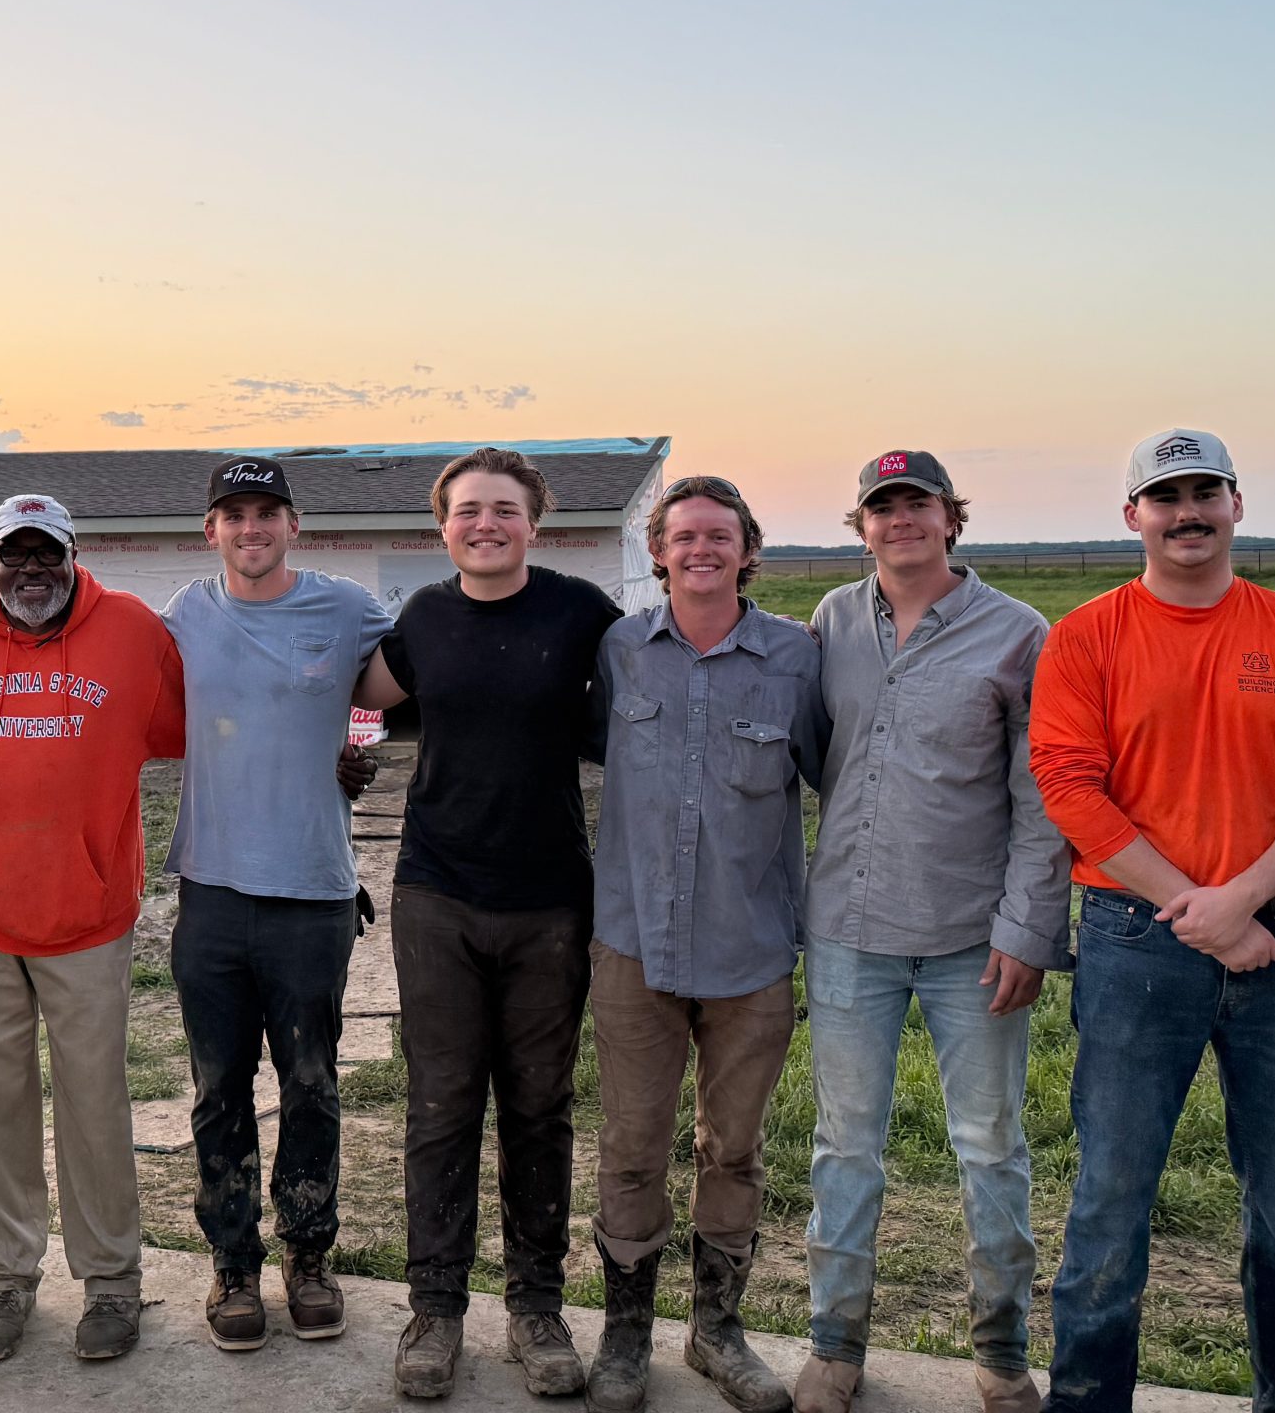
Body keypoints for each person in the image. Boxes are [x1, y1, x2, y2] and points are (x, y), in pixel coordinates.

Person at [1028, 430, 1275, 1413]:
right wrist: (1199, 908)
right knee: (1110, 1198)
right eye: (1164, 495)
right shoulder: (1089, 635)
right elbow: (1069, 783)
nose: (1186, 511)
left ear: (1235, 504)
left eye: (1203, 492)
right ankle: (1088, 1399)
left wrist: (1243, 899)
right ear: (1131, 515)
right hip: (1135, 941)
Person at [794, 453, 1070, 1413]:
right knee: (843, 1144)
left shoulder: (1018, 635)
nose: (900, 520)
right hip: (848, 929)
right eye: (882, 508)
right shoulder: (831, 621)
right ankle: (834, 1345)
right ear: (860, 525)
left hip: (970, 937)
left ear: (954, 519)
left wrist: (1029, 927)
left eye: (918, 505)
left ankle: (1000, 1355)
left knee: (990, 1143)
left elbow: (1041, 799)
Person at [348, 448, 623, 1400]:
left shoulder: (581, 613)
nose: (485, 524)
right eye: (468, 511)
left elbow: (640, 710)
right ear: (443, 527)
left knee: (540, 1108)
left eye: (504, 510)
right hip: (437, 894)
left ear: (534, 523)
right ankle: (436, 1310)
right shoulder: (423, 618)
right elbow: (358, 694)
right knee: (441, 1106)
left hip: (550, 896)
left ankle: (537, 1309)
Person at [0, 496, 185, 1364]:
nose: (31, 570)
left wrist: (346, 739)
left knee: (95, 1101)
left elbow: (191, 728)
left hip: (89, 913)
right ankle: (5, 1279)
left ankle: (110, 1283)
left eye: (45, 553)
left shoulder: (136, 632)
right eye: (12, 554)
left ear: (73, 554)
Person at [585, 476, 826, 1413]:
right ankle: (624, 1334)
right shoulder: (617, 651)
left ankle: (718, 1333)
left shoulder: (796, 659)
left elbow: (837, 784)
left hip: (751, 953)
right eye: (682, 536)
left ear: (748, 550)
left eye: (719, 536)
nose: (700, 550)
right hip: (633, 947)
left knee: (734, 1151)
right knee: (633, 1147)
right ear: (657, 552)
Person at [162, 454, 394, 1352]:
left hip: (313, 892)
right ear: (210, 530)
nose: (251, 529)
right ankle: (233, 1265)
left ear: (295, 526)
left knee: (310, 1086)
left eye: (268, 513)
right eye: (234, 514)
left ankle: (308, 1252)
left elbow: (409, 678)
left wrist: (359, 740)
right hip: (213, 890)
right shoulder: (184, 614)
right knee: (218, 1089)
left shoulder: (344, 607)